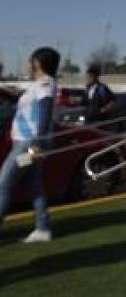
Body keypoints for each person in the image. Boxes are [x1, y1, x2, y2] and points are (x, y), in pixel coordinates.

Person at [0, 47, 61, 242]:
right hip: (27, 143)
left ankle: (42, 228)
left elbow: (43, 118)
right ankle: (42, 229)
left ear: (37, 62)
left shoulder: (45, 84)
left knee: (2, 184)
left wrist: (37, 146)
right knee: (33, 185)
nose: (27, 64)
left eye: (29, 61)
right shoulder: (39, 84)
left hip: (29, 145)